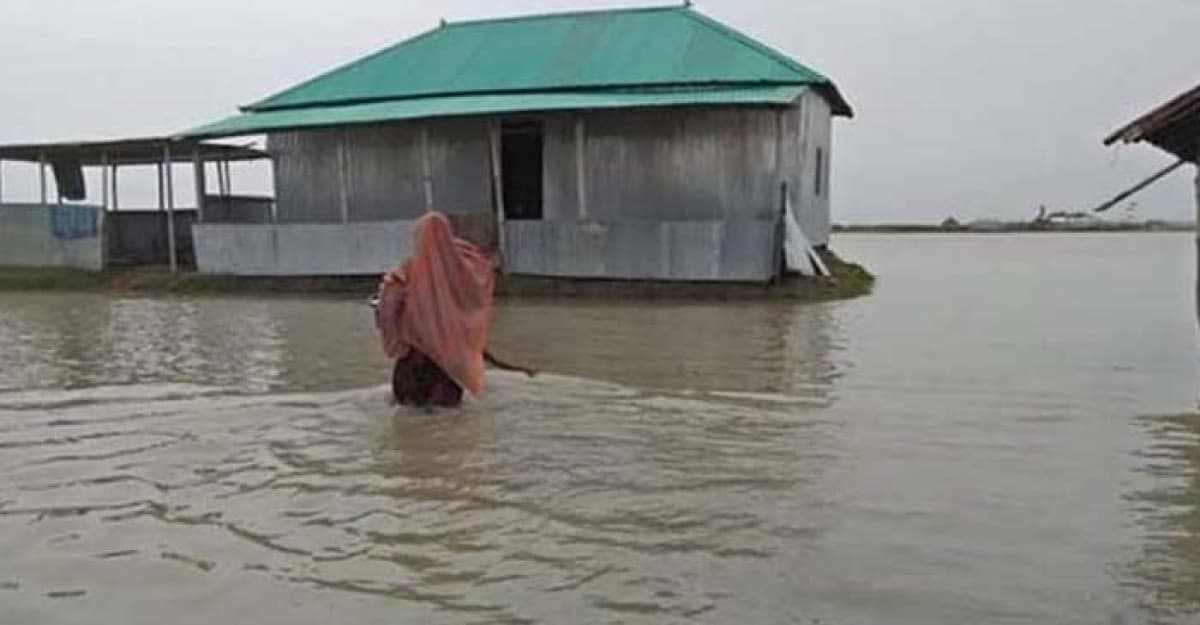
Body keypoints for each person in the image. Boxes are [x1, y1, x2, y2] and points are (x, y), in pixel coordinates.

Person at [373, 211, 534, 407]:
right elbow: (468, 310)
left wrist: (395, 342)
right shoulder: (462, 272)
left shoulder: (407, 272)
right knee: (449, 423)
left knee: (410, 422)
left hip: (413, 361)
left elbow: (386, 312)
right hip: (449, 368)